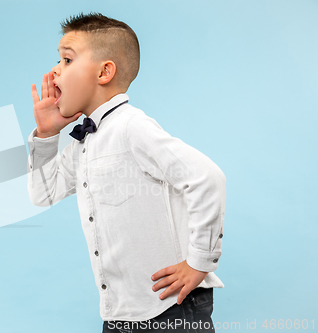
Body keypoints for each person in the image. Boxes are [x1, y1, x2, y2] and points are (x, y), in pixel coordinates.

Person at [26, 12, 226, 333]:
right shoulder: (83, 142)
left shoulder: (132, 127)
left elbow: (207, 178)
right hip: (121, 313)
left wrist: (200, 262)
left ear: (105, 72)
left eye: (66, 59)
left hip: (169, 308)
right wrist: (47, 134)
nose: (55, 70)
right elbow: (42, 193)